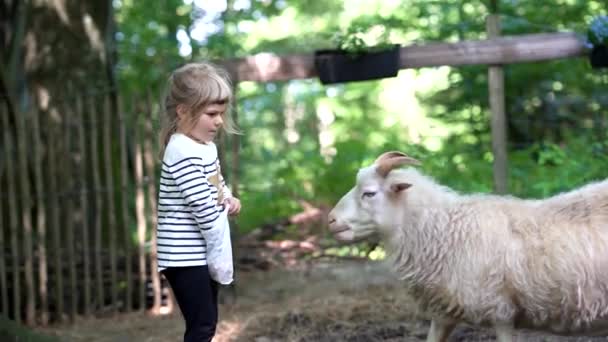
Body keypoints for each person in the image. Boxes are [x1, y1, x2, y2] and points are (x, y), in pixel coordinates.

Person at [156, 61, 241, 342]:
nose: (218, 121)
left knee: (207, 322)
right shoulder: (181, 150)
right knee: (202, 324)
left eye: (221, 113)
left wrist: (229, 198)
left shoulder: (205, 147)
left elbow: (216, 184)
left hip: (199, 252)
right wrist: (219, 237)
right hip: (183, 257)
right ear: (183, 111)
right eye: (211, 114)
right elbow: (202, 206)